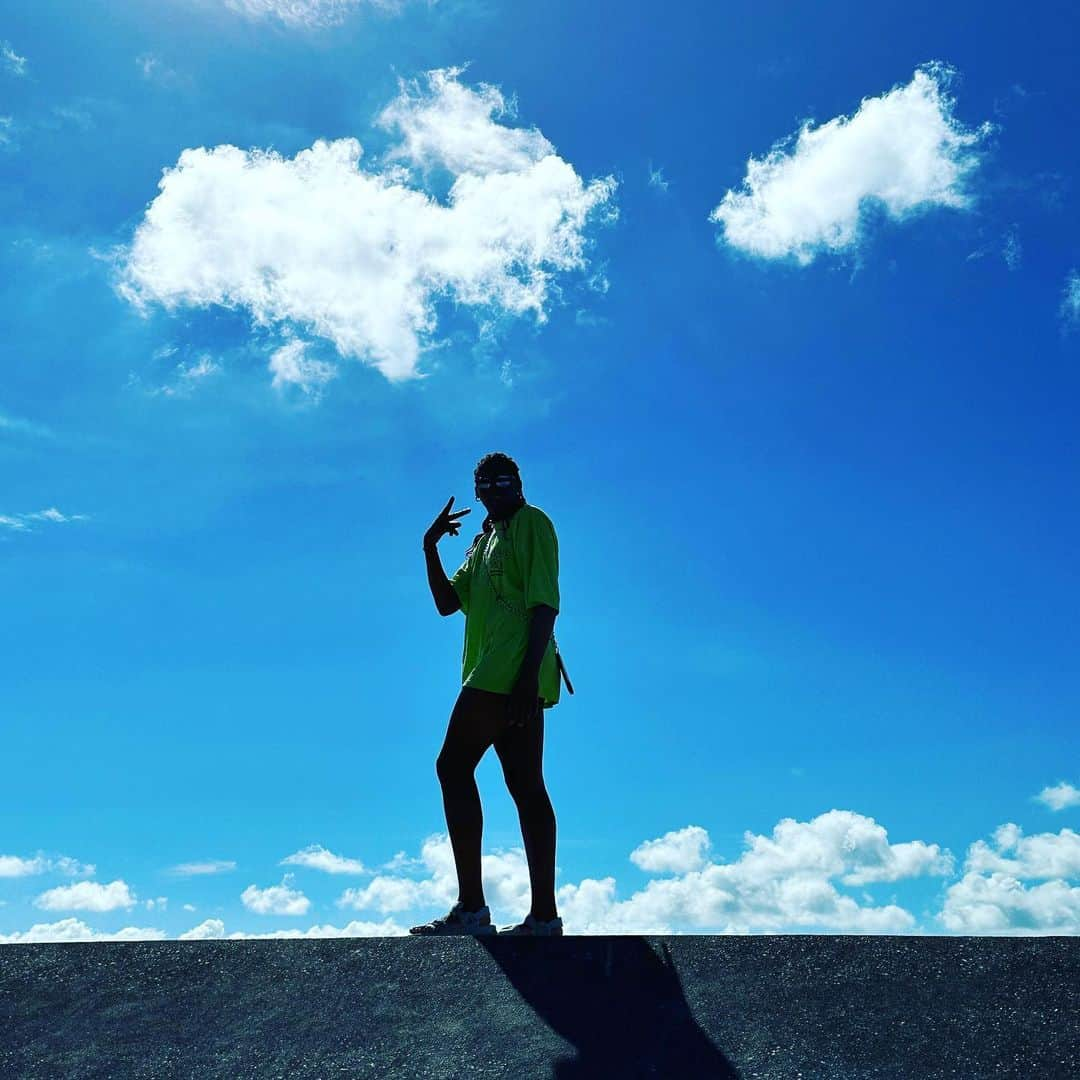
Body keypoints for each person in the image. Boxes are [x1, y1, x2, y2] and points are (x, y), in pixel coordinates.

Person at [410, 451, 564, 937]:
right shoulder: (484, 542)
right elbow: (446, 603)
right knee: (524, 786)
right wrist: (430, 547)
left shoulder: (532, 524)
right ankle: (542, 918)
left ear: (519, 482)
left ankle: (474, 908)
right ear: (476, 492)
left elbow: (544, 605)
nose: (496, 488)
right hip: (500, 674)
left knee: (452, 767)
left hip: (507, 673)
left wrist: (525, 680)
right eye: (486, 482)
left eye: (505, 479)